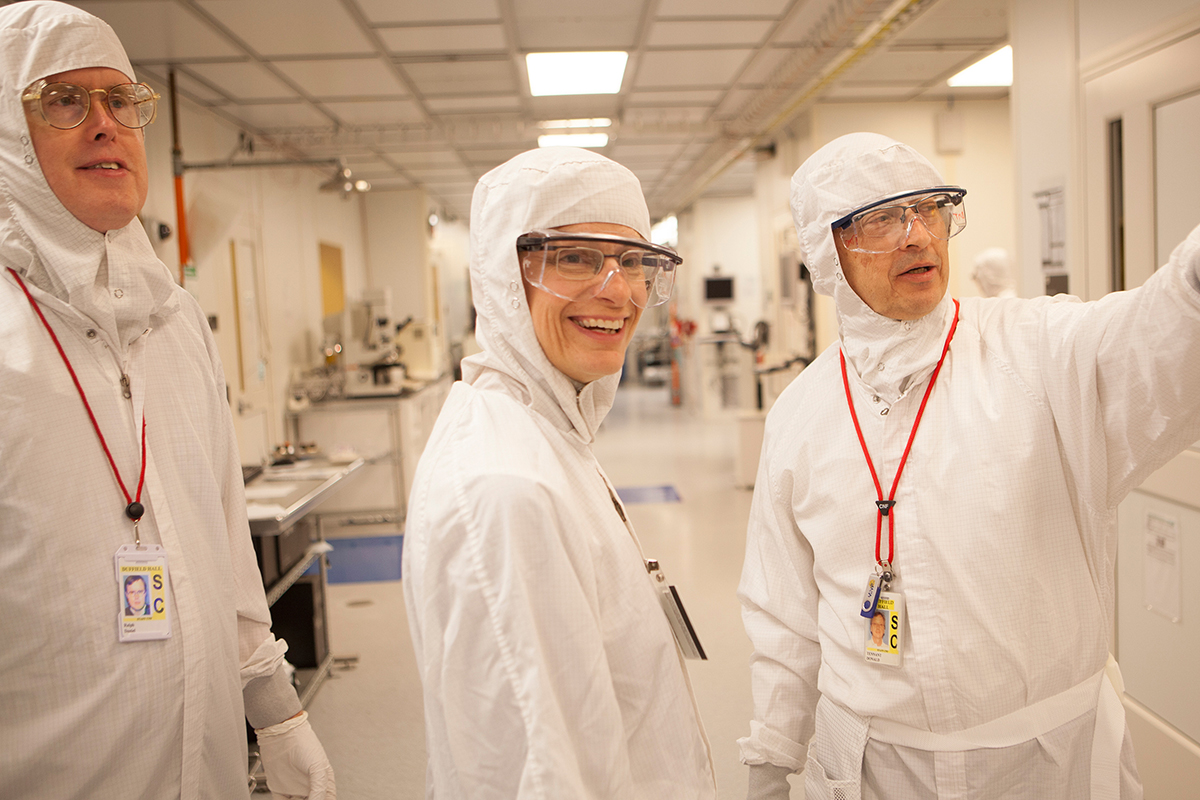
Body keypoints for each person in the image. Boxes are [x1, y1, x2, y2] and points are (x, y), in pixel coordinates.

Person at [738, 132, 1200, 799]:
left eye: (930, 209)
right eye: (882, 219)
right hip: (871, 769)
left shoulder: (1036, 350)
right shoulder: (799, 416)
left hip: (1046, 766)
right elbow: (783, 614)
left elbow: (1151, 340)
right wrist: (771, 761)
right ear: (826, 251)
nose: (918, 235)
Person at [0, 3, 335, 798]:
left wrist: (278, 714)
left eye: (120, 100)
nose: (105, 124)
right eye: (62, 101)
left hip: (208, 769)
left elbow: (223, 534)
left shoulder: (172, 316)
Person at [402, 147, 716, 799]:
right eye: (574, 256)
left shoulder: (547, 434)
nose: (619, 289)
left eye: (633, 261)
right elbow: (538, 774)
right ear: (498, 273)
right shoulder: (505, 486)